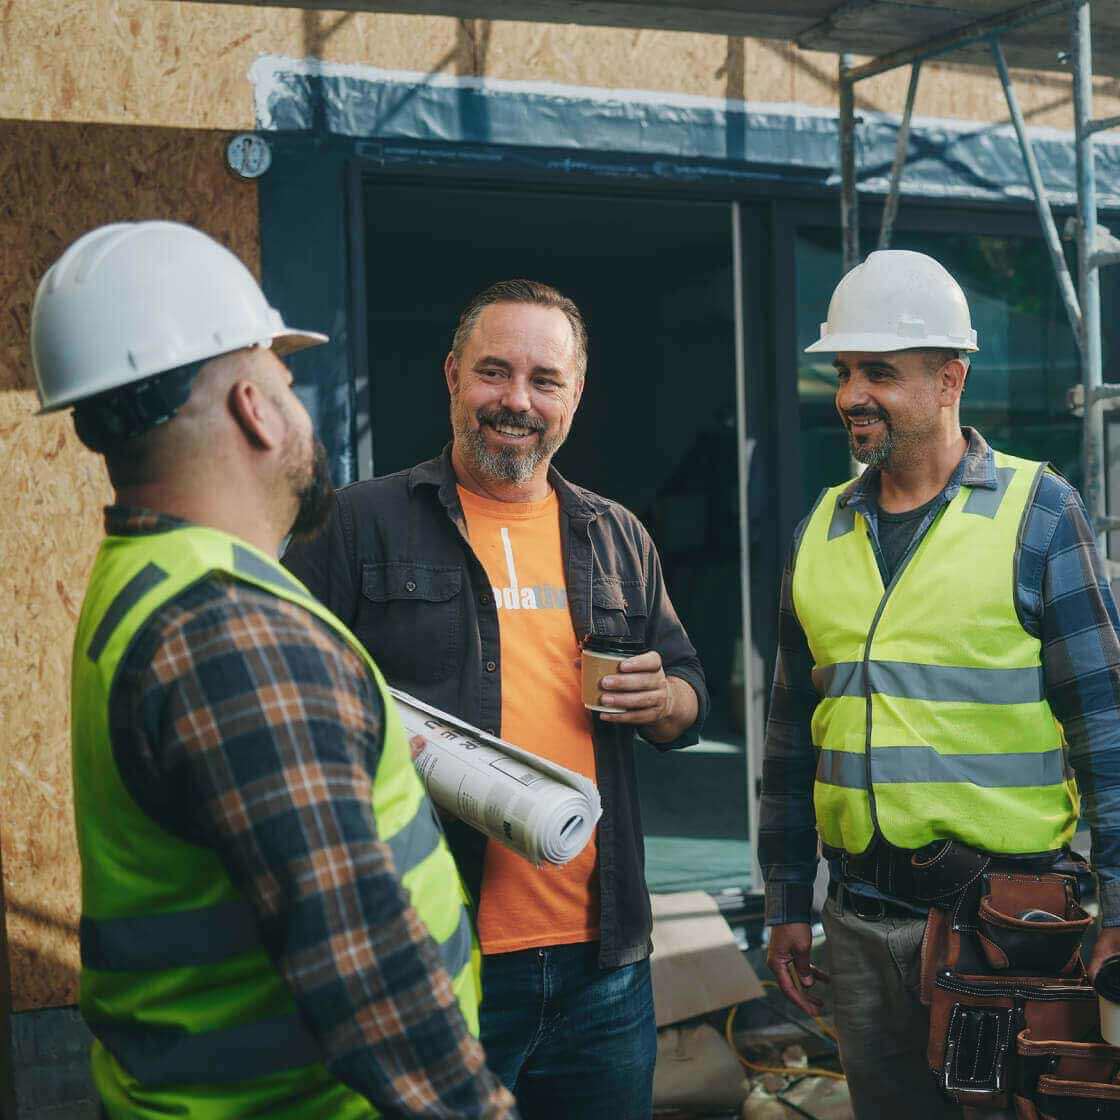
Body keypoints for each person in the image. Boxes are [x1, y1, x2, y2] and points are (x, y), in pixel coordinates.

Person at [31, 221, 517, 1119]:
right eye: (287, 382)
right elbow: (366, 971)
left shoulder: (149, 579)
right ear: (253, 404)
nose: (302, 408)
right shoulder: (233, 633)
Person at [284, 278, 709, 1119]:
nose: (516, 400)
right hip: (431, 957)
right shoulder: (357, 523)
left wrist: (665, 699)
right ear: (451, 376)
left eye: (544, 380)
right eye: (494, 372)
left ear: (574, 397)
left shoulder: (616, 534)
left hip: (605, 967)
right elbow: (288, 699)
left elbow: (690, 688)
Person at [759, 248, 1120, 1118]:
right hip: (853, 920)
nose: (851, 394)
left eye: (879, 371)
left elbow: (1106, 730)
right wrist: (783, 901)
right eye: (845, 370)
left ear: (950, 378)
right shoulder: (821, 529)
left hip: (1008, 926)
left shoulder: (1039, 512)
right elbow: (788, 737)